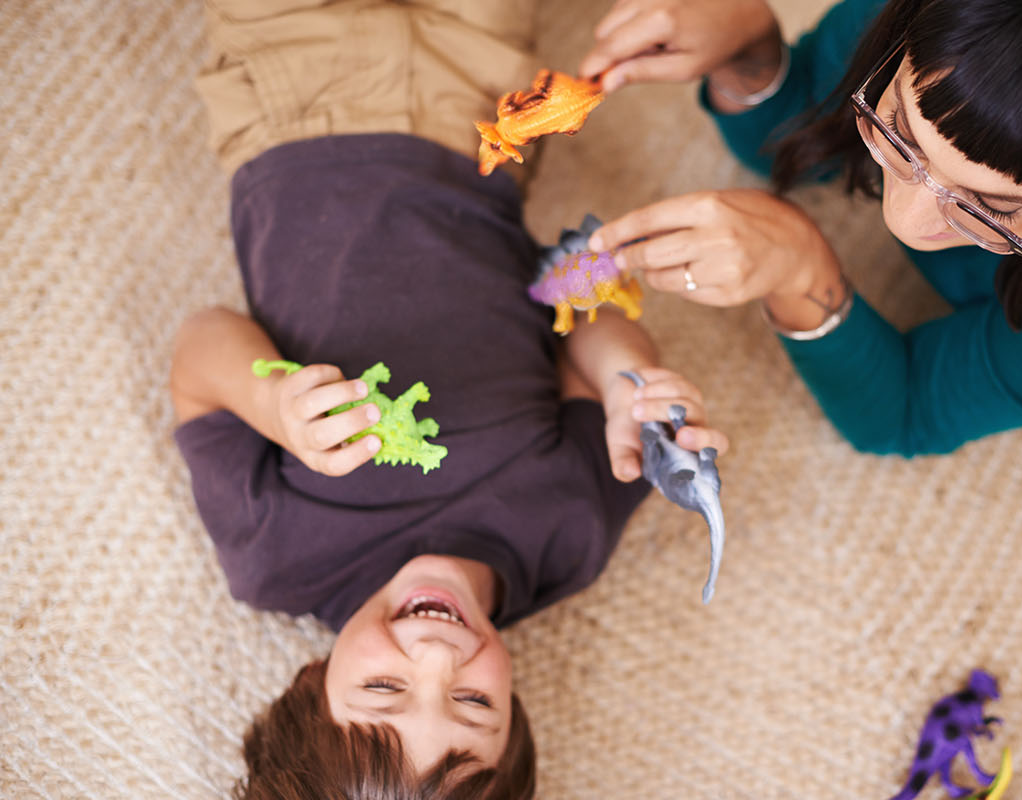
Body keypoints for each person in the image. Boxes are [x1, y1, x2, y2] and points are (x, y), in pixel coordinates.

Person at [169, 0, 727, 796]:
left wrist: (276, 406)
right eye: (472, 702)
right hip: (478, 109)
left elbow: (198, 349)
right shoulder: (565, 533)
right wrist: (626, 382)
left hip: (284, 95)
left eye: (384, 690)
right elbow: (580, 306)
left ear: (309, 690)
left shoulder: (274, 555)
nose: (435, 658)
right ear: (516, 710)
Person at [578, 0, 1022, 456]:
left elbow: (905, 412)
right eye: (899, 132)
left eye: (994, 205)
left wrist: (802, 271)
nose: (908, 222)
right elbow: (800, 123)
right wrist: (749, 44)